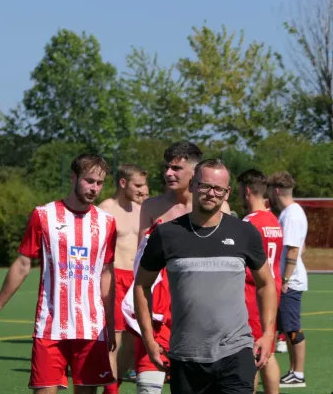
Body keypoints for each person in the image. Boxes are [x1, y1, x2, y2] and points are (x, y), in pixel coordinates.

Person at [134, 158, 278, 394]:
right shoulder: (166, 234)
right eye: (205, 186)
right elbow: (141, 286)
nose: (212, 193)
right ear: (192, 185)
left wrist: (268, 333)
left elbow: (266, 284)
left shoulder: (244, 232)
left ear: (227, 192)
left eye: (218, 189)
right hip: (185, 355)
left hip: (236, 352)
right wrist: (149, 340)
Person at [0, 153, 117, 394]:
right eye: (88, 180)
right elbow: (23, 264)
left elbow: (106, 273)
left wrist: (110, 323)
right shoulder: (43, 215)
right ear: (73, 177)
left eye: (99, 183)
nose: (94, 188)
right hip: (51, 326)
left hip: (92, 328)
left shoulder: (107, 223)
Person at [121, 141, 230, 393]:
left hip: (198, 310)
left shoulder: (218, 207)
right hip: (157, 307)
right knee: (148, 385)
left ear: (194, 172)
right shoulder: (152, 206)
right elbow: (143, 262)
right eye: (167, 167)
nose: (169, 173)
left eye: (177, 168)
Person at [98, 164, 148, 392]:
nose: (141, 190)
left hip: (136, 279)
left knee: (132, 341)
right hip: (115, 277)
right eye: (137, 185)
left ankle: (113, 384)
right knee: (114, 340)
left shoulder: (141, 210)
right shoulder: (105, 209)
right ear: (122, 183)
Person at [238, 169, 284, 394]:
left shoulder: (249, 222)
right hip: (273, 290)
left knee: (252, 353)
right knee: (269, 351)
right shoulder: (273, 220)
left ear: (246, 191)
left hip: (254, 293)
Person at [267, 171, 309, 388]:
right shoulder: (290, 212)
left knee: (292, 328)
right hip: (289, 279)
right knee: (287, 327)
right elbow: (301, 248)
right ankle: (293, 372)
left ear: (275, 191)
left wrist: (284, 279)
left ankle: (298, 374)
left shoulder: (291, 215)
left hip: (290, 282)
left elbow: (294, 250)